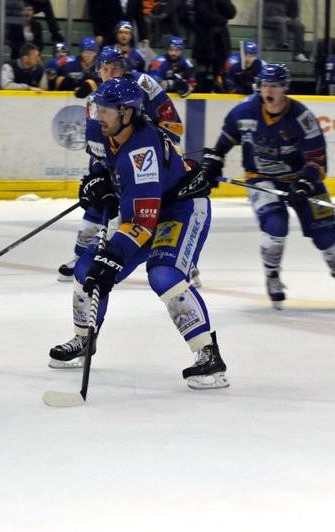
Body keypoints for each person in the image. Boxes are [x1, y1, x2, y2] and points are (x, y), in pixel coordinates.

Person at [48, 77, 227, 390]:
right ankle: (83, 340)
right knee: (87, 268)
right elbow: (101, 165)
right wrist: (97, 183)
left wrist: (114, 257)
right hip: (146, 211)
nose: (98, 114)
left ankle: (209, 356)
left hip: (179, 209)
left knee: (164, 274)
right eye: (98, 107)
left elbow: (143, 223)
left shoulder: (141, 152)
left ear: (128, 113)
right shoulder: (98, 128)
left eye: (107, 110)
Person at [200, 64, 335, 310]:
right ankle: (272, 276)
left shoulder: (303, 118)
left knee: (327, 235)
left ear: (285, 88)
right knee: (275, 226)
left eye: (275, 86)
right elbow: (225, 141)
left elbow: (317, 160)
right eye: (265, 85)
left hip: (301, 179)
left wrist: (304, 184)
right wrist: (213, 163)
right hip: (261, 178)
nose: (270, 90)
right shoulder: (244, 111)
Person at [57, 46, 186, 282]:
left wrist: (148, 141)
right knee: (99, 200)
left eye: (114, 69)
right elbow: (97, 149)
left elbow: (174, 126)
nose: (109, 74)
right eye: (104, 69)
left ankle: (179, 260)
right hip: (118, 159)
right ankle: (80, 257)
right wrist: (98, 177)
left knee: (151, 211)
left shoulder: (144, 83)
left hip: (152, 159)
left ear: (123, 69)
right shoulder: (96, 100)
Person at [192, 0, 236, 92]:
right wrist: (223, 19)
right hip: (204, 44)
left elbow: (232, 13)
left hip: (221, 44)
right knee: (201, 78)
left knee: (221, 77)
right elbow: (205, 16)